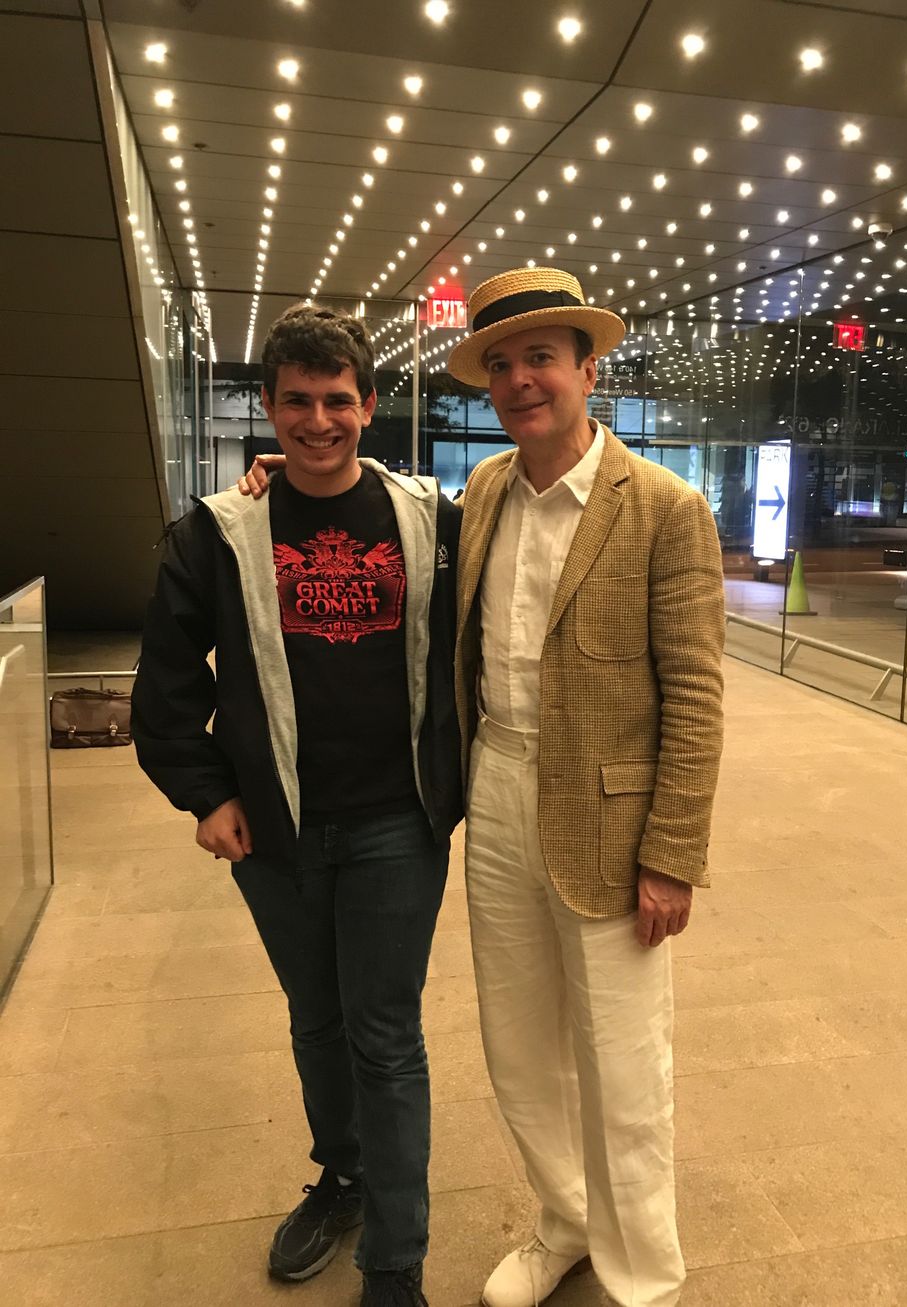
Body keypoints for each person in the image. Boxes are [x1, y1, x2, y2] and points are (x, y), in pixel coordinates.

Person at [132, 304, 462, 1307]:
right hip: (274, 829)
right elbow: (166, 687)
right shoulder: (217, 533)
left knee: (384, 1034)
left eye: (337, 400)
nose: (319, 420)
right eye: (298, 402)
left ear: (369, 403)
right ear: (270, 409)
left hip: (396, 822)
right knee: (315, 1021)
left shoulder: (429, 523)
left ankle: (394, 1261)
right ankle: (344, 1174)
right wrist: (206, 793)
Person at [447, 268, 725, 1307]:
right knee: (517, 1042)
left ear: (587, 369)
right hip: (497, 786)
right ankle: (564, 1220)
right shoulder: (482, 492)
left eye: (541, 358)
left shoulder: (662, 507)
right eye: (502, 365)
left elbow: (694, 693)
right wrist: (275, 478)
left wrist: (672, 853)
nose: (521, 380)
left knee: (623, 1058)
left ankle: (642, 1275)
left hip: (611, 818)